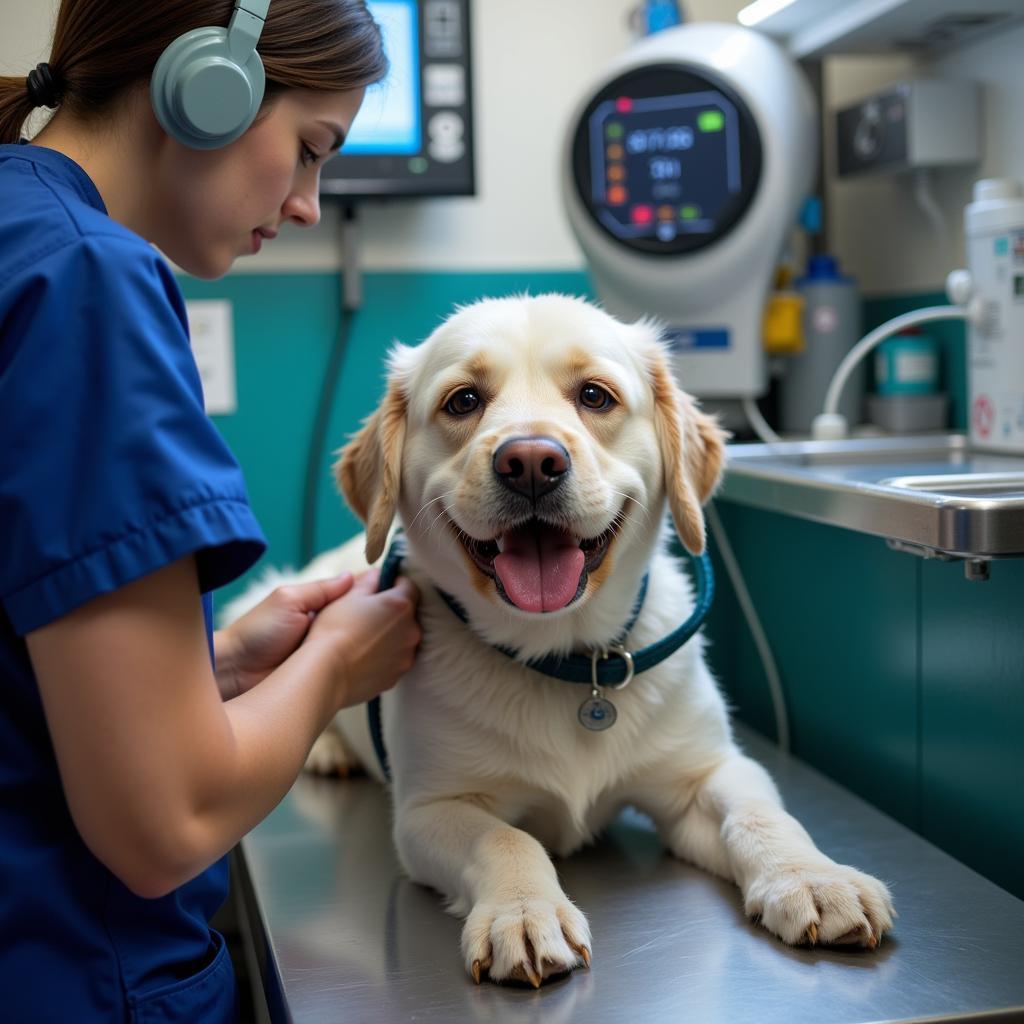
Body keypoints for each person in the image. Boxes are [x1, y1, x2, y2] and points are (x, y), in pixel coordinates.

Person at [0, 2, 421, 1020]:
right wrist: (333, 668)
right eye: (312, 149)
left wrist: (220, 668)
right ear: (210, 81)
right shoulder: (86, 283)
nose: (312, 203)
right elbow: (166, 823)